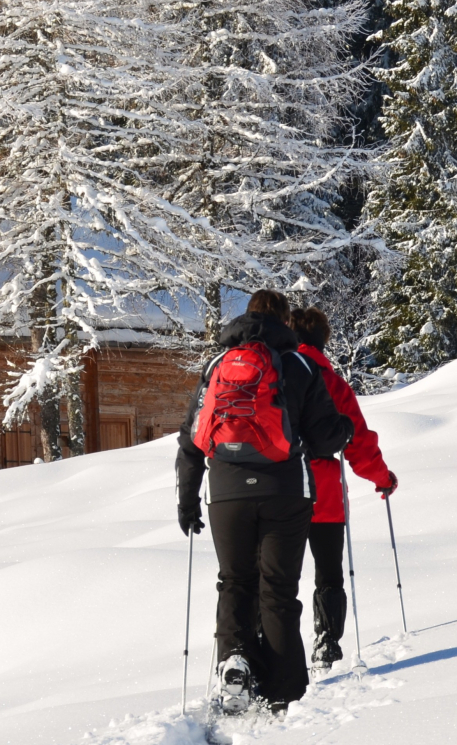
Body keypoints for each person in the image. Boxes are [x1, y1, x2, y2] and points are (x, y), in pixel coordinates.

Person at [177, 291, 353, 714]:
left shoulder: (218, 365)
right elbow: (324, 434)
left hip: (226, 493)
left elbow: (191, 437)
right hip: (285, 492)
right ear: (285, 321)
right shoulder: (298, 365)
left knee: (234, 583)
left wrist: (187, 499)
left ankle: (233, 667)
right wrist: (343, 428)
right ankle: (285, 692)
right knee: (278, 591)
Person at [289, 307, 395, 671]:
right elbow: (359, 444)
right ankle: (327, 641)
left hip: (281, 490)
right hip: (325, 495)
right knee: (329, 572)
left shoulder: (276, 374)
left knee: (276, 575)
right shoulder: (333, 384)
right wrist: (383, 478)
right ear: (324, 339)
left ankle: (274, 647)